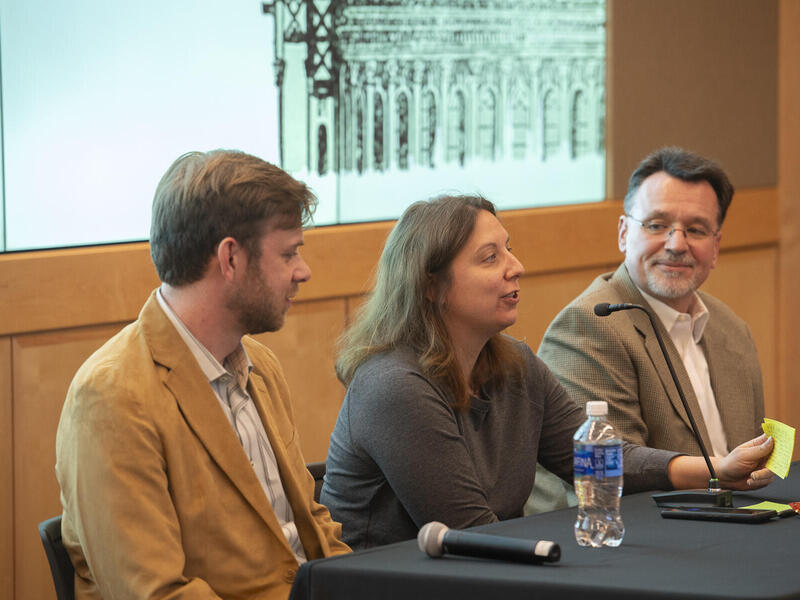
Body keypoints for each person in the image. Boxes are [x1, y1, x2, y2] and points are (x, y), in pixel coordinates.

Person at [320, 194, 774, 550]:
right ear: (432, 285)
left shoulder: (515, 364)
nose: (516, 268)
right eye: (490, 257)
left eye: (509, 251)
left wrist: (716, 469)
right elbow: (469, 532)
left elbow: (598, 457)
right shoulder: (393, 386)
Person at [56, 150, 349, 599]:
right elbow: (156, 593)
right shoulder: (112, 397)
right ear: (230, 258)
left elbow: (313, 528)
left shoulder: (260, 367)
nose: (303, 271)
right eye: (288, 253)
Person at [538, 147, 764, 456]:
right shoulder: (588, 327)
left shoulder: (732, 329)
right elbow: (614, 477)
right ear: (623, 232)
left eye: (696, 230)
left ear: (715, 247)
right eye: (656, 225)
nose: (676, 245)